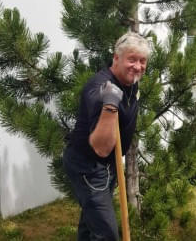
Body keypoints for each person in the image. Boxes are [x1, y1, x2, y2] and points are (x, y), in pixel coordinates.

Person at [63, 31, 150, 241]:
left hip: (107, 167)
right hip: (89, 167)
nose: (137, 66)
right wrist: (110, 105)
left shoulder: (130, 82)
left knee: (91, 223)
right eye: (132, 59)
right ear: (116, 58)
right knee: (106, 233)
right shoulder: (100, 89)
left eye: (142, 61)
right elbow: (101, 147)